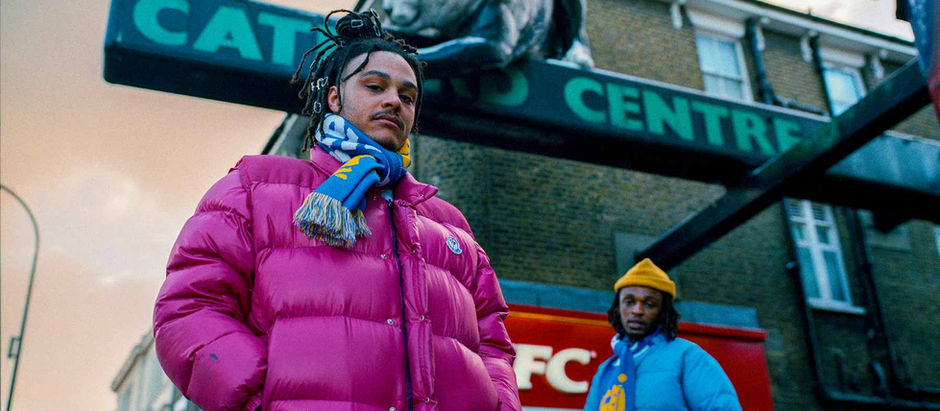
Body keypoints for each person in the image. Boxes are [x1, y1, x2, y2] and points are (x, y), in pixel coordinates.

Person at [152, 10, 521, 411]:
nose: (393, 101)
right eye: (375, 86)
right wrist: (260, 400)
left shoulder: (451, 225)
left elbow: (493, 344)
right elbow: (191, 308)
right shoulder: (253, 188)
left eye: (408, 96)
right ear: (333, 97)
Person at [583, 258, 741, 411]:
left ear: (663, 311)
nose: (637, 311)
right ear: (618, 307)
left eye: (649, 304)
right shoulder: (605, 370)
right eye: (629, 302)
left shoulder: (687, 356)